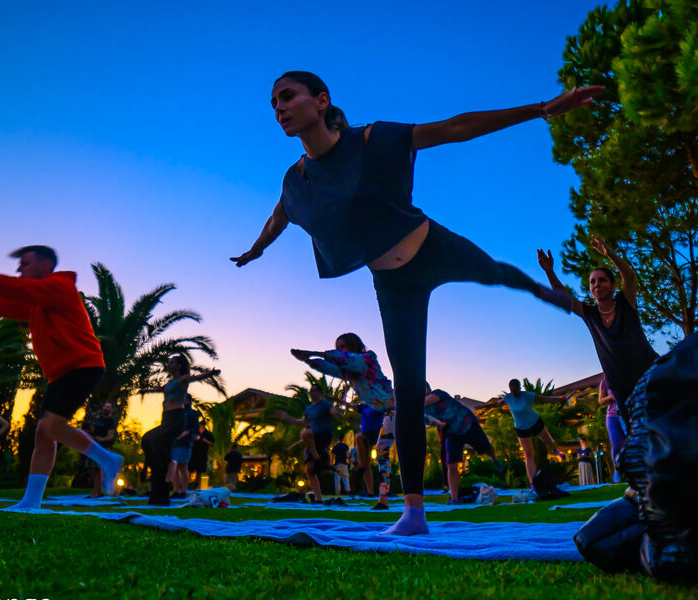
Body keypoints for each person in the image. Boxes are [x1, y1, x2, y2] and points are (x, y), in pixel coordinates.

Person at [232, 71, 601, 535]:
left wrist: (542, 108)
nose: (279, 108)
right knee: (408, 390)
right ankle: (413, 513)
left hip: (432, 245)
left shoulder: (370, 140)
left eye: (287, 97)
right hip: (393, 285)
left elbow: (452, 128)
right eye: (273, 103)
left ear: (321, 100)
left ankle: (543, 289)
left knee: (494, 273)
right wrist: (255, 250)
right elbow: (277, 218)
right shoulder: (298, 179)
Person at [0, 245, 123, 511]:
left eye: (24, 263)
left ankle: (107, 460)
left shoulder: (59, 287)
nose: (19, 268)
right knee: (43, 435)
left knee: (50, 429)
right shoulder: (36, 303)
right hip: (59, 374)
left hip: (82, 365)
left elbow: (9, 288)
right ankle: (31, 502)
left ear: (45, 265)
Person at [537, 235, 659, 423]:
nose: (596, 285)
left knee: (662, 424)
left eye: (601, 280)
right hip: (621, 387)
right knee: (638, 437)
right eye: (592, 282)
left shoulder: (625, 302)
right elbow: (564, 297)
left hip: (649, 375)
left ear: (613, 286)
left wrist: (608, 253)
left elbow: (630, 275)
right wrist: (549, 272)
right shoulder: (590, 314)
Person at [292, 333, 392, 498]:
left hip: (393, 408)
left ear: (353, 346)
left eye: (343, 346)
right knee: (374, 446)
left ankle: (385, 495)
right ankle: (374, 488)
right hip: (383, 413)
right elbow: (330, 367)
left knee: (384, 452)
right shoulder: (348, 373)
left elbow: (346, 359)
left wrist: (315, 353)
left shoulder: (368, 358)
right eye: (338, 347)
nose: (340, 350)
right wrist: (308, 360)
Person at [140, 355, 220, 505]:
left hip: (177, 419)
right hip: (166, 418)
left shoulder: (182, 379)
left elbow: (195, 378)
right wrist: (145, 391)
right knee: (147, 439)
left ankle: (165, 471)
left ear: (179, 365)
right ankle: (159, 472)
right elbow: (158, 389)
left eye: (171, 362)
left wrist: (210, 374)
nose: (168, 364)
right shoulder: (170, 383)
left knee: (155, 441)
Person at [424, 388, 503, 504]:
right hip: (452, 432)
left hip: (468, 423)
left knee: (487, 448)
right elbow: (429, 421)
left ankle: (494, 458)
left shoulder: (437, 393)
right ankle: (454, 498)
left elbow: (428, 400)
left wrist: (410, 402)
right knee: (451, 465)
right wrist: (439, 424)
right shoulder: (423, 410)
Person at [490, 378, 569, 491]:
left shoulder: (527, 395)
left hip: (535, 422)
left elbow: (544, 399)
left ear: (520, 388)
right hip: (521, 428)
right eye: (512, 391)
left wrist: (560, 398)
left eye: (516, 390)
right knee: (529, 455)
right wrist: (483, 407)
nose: (514, 393)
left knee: (548, 441)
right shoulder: (508, 398)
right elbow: (497, 403)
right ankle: (533, 484)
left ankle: (555, 450)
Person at [276, 383, 343, 503]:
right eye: (310, 390)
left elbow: (336, 413)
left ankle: (317, 457)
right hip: (312, 439)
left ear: (320, 393)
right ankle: (318, 499)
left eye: (314, 390)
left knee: (305, 433)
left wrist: (336, 412)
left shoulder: (325, 404)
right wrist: (287, 417)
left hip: (324, 435)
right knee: (310, 470)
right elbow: (302, 422)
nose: (312, 393)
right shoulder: (309, 408)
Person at [83, 402, 118, 498]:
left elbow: (110, 436)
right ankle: (98, 490)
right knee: (91, 469)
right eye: (105, 406)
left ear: (112, 409)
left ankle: (97, 492)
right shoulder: (99, 419)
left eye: (108, 407)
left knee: (97, 469)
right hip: (94, 446)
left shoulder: (110, 422)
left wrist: (100, 439)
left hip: (103, 447)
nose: (106, 408)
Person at [170, 396, 201, 499]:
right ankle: (176, 491)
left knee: (183, 466)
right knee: (175, 467)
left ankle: (183, 491)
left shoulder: (193, 413)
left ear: (189, 401)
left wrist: (186, 433)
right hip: (175, 442)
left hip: (185, 442)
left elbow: (195, 428)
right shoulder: (177, 413)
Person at [598, 377, 625, 483]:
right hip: (612, 416)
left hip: (626, 413)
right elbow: (601, 400)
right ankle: (618, 469)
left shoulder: (625, 375)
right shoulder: (604, 381)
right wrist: (612, 397)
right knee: (616, 444)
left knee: (630, 441)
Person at [372, 408, 396, 511]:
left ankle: (383, 498)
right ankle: (383, 497)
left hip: (393, 414)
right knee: (383, 455)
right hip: (394, 413)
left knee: (383, 454)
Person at [189, 421, 215, 489]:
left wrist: (205, 441)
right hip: (193, 454)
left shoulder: (208, 434)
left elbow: (212, 443)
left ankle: (197, 486)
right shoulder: (195, 432)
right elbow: (190, 439)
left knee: (199, 471)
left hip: (202, 455)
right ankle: (188, 484)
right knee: (190, 470)